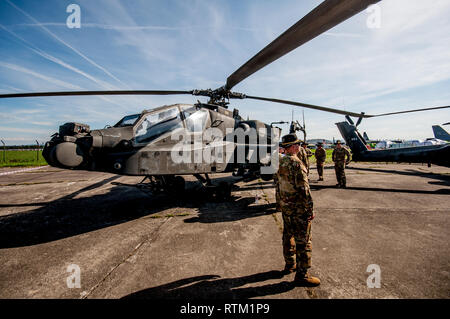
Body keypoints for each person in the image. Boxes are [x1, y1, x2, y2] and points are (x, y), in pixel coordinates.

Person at [274, 133, 320, 287]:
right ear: (293, 147)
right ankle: (303, 275)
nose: (300, 147)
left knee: (288, 235)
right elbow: (304, 190)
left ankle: (289, 263)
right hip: (298, 209)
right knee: (304, 241)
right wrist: (310, 210)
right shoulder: (296, 163)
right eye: (298, 144)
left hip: (286, 207)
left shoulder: (279, 161)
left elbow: (279, 184)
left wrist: (280, 202)